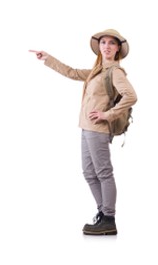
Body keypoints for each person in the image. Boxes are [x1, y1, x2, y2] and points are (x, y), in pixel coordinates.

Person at [30, 29, 137, 235]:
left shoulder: (115, 72)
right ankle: (102, 213)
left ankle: (109, 218)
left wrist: (108, 114)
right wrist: (48, 58)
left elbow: (131, 96)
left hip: (98, 129)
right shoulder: (97, 70)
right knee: (89, 173)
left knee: (104, 172)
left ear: (118, 50)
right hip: (86, 128)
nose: (106, 46)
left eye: (111, 44)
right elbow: (71, 72)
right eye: (103, 42)